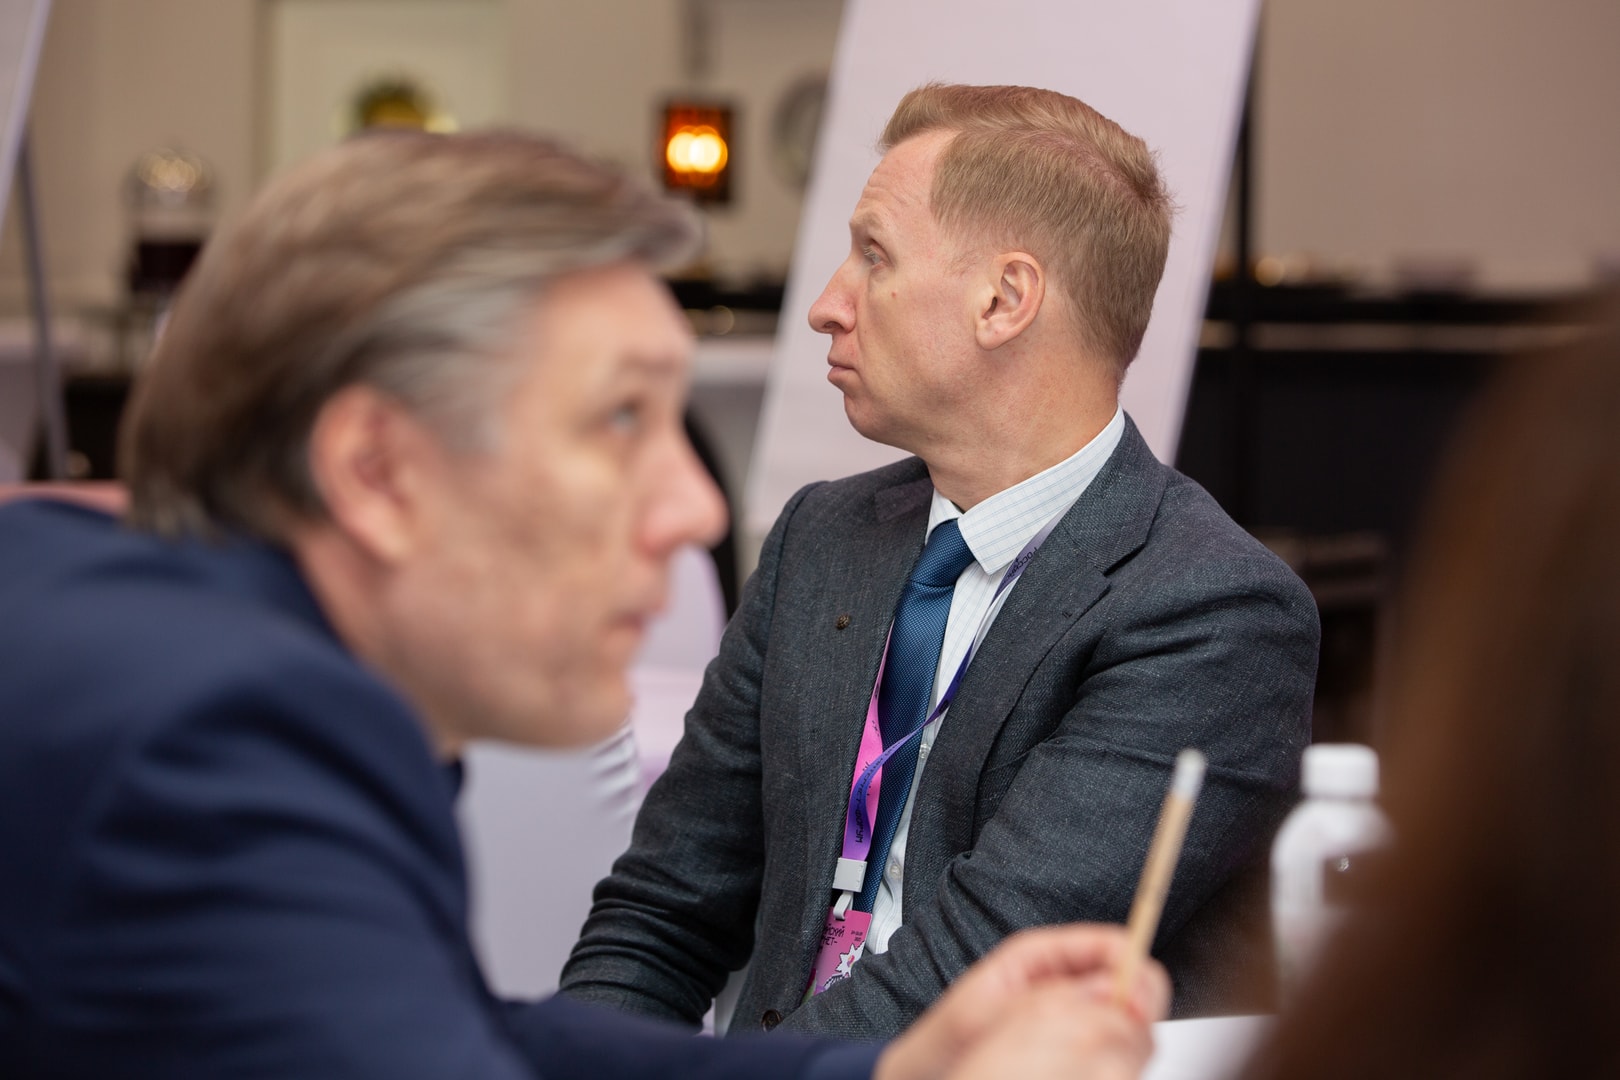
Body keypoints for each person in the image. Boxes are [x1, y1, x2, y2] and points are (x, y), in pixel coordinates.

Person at [0, 130, 1169, 1079]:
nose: (695, 510)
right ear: (378, 470)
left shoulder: (147, 637)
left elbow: (471, 1031)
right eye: (619, 419)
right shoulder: (227, 744)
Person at [561, 83, 1320, 1038]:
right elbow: (661, 912)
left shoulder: (1209, 610)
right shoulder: (822, 540)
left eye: (873, 256)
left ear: (1004, 300)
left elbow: (976, 982)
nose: (826, 306)